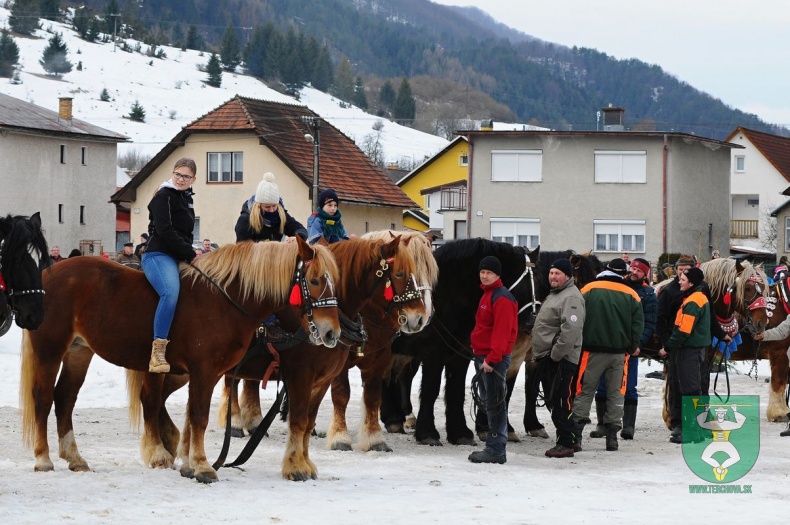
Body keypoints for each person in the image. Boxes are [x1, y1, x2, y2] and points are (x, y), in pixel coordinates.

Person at [574, 259, 644, 452]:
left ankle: (576, 436)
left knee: (585, 391)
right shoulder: (632, 294)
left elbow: (577, 318)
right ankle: (612, 438)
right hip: (619, 354)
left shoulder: (588, 289)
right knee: (616, 394)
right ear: (623, 274)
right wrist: (630, 348)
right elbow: (638, 325)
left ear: (605, 271)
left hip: (591, 352)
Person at [142, 157, 202, 374]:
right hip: (158, 253)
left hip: (179, 255)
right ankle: (157, 350)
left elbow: (186, 233)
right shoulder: (163, 196)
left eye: (186, 176)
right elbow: (165, 232)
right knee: (170, 292)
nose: (181, 179)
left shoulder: (185, 198)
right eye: (178, 174)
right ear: (172, 173)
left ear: (194, 179)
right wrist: (190, 253)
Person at [589, 257, 656, 441]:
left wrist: (638, 344)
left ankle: (628, 426)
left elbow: (649, 323)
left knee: (629, 387)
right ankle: (602, 424)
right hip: (609, 343)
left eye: (639, 271)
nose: (634, 272)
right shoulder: (616, 285)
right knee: (602, 386)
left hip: (630, 347)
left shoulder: (648, 294)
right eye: (632, 269)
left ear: (645, 274)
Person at [531, 258, 585, 458]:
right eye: (551, 273)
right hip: (550, 357)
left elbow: (570, 330)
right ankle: (571, 438)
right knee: (554, 400)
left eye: (558, 273)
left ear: (568, 276)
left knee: (560, 401)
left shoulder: (570, 297)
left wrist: (555, 355)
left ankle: (566, 443)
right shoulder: (556, 294)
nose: (553, 277)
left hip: (560, 359)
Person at [468, 255, 518, 465]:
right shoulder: (488, 295)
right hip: (483, 358)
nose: (485, 276)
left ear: (497, 275)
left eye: (489, 272)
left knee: (496, 404)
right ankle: (494, 446)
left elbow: (502, 332)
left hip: (492, 361)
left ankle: (496, 449)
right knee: (490, 403)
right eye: (482, 272)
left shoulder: (502, 298)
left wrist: (492, 358)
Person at [659, 267, 711, 444]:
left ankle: (691, 432)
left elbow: (684, 330)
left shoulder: (693, 301)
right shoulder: (699, 297)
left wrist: (667, 347)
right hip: (696, 350)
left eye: (683, 279)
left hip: (688, 351)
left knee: (689, 391)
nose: (679, 281)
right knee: (695, 390)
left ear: (691, 283)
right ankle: (699, 431)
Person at [235, 172, 307, 243]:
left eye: (274, 206)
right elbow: (242, 248)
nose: (272, 210)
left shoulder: (281, 215)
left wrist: (298, 237)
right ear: (259, 205)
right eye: (267, 207)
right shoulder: (246, 220)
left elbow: (299, 228)